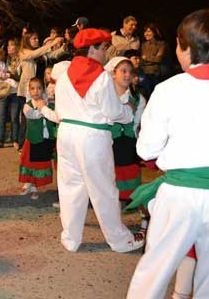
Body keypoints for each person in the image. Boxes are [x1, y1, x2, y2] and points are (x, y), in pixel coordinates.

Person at [125, 9, 209, 299]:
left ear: (186, 48)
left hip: (179, 195)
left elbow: (147, 148)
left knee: (153, 272)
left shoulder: (169, 89)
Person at [37, 28, 144, 253]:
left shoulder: (64, 75)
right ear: (92, 49)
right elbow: (114, 111)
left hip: (66, 133)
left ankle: (71, 238)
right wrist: (128, 111)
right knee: (104, 189)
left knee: (70, 187)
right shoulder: (102, 77)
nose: (106, 53)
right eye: (103, 48)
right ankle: (119, 240)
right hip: (93, 136)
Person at [104, 57, 146, 203]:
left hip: (128, 142)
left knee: (129, 174)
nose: (127, 75)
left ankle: (132, 201)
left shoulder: (138, 98)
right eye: (123, 71)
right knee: (110, 174)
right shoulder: (105, 96)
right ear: (113, 74)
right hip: (109, 141)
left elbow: (137, 123)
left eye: (130, 71)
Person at [17, 30, 63, 145]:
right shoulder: (23, 52)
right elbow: (34, 54)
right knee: (27, 116)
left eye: (37, 38)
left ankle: (41, 139)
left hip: (41, 88)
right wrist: (51, 44)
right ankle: (23, 143)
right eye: (34, 38)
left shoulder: (41, 53)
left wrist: (64, 47)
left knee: (42, 112)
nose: (37, 40)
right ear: (27, 40)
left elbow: (54, 54)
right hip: (29, 89)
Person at [18, 77, 55, 200]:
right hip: (33, 139)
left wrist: (47, 106)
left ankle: (35, 185)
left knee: (40, 162)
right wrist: (43, 108)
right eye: (33, 88)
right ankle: (28, 182)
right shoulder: (27, 106)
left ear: (43, 89)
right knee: (30, 162)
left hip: (45, 138)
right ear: (29, 90)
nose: (36, 91)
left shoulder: (48, 103)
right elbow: (33, 115)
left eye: (39, 88)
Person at [0, 48, 18, 148]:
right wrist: (5, 75)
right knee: (1, 116)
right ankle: (0, 140)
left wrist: (7, 74)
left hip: (12, 90)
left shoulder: (4, 62)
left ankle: (15, 140)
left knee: (14, 117)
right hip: (1, 90)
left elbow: (8, 72)